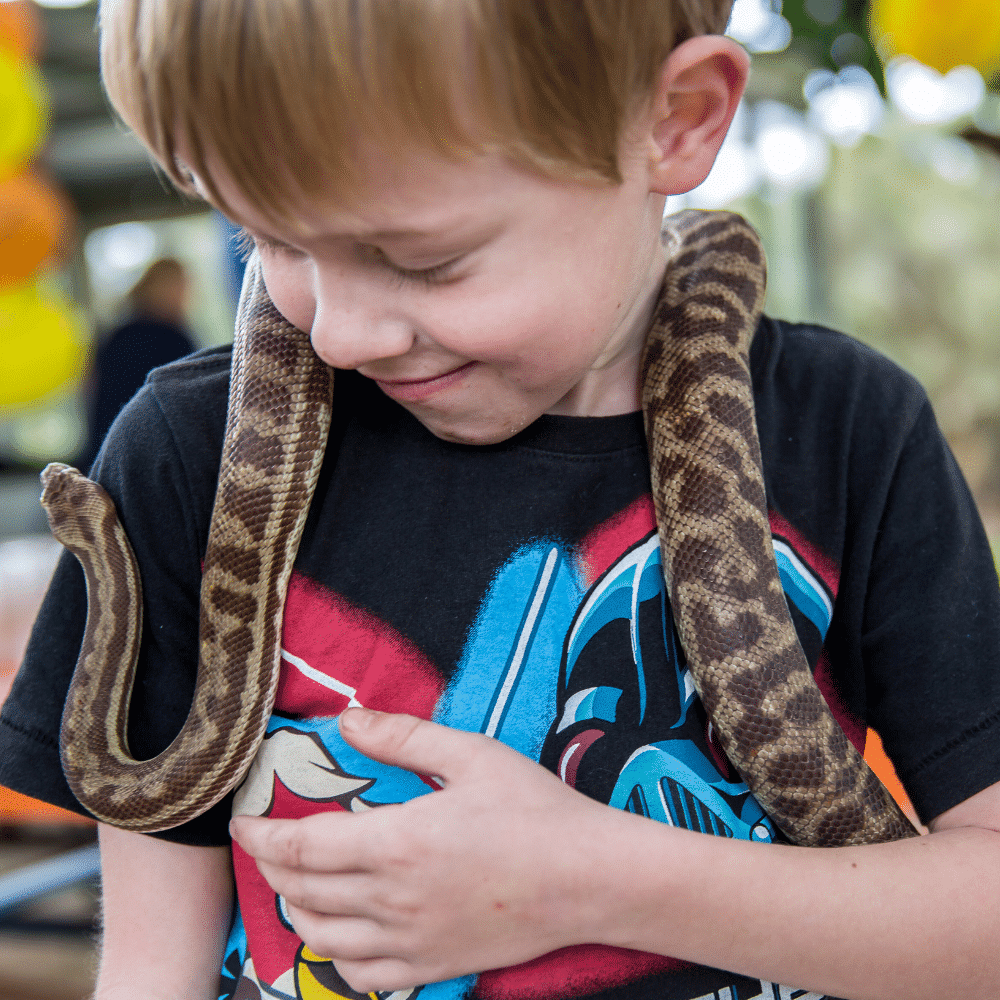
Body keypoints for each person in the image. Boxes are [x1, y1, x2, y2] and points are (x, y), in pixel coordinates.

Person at [0, 2, 998, 999]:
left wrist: (596, 881)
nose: (341, 333)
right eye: (268, 241)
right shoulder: (193, 457)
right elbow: (148, 971)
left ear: (676, 122)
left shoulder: (846, 429)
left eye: (422, 259)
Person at [82, 256, 196, 469]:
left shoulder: (118, 334)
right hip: (154, 456)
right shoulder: (173, 339)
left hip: (110, 451)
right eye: (181, 286)